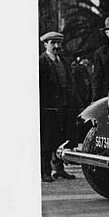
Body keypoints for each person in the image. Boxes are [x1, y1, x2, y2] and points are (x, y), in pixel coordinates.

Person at [39, 31, 77, 182]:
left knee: (61, 139)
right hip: (48, 108)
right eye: (52, 43)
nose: (56, 46)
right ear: (45, 44)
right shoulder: (41, 62)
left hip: (64, 105)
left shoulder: (63, 61)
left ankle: (59, 169)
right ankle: (45, 171)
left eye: (58, 43)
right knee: (47, 141)